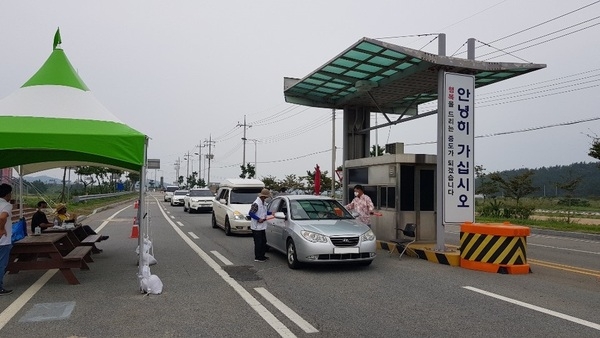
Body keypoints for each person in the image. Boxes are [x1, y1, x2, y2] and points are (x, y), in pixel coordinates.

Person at [248, 188, 273, 262]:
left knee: (263, 241)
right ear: (263, 196)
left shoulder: (263, 203)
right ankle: (258, 257)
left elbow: (264, 212)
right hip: (256, 227)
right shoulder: (256, 203)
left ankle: (262, 255)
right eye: (266, 197)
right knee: (258, 242)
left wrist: (271, 213)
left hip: (262, 226)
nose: (266, 198)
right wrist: (258, 219)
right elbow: (251, 213)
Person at [0, 184, 13, 295]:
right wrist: (1, 229)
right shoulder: (6, 205)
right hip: (3, 240)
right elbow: (3, 217)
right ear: (8, 194)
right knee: (1, 264)